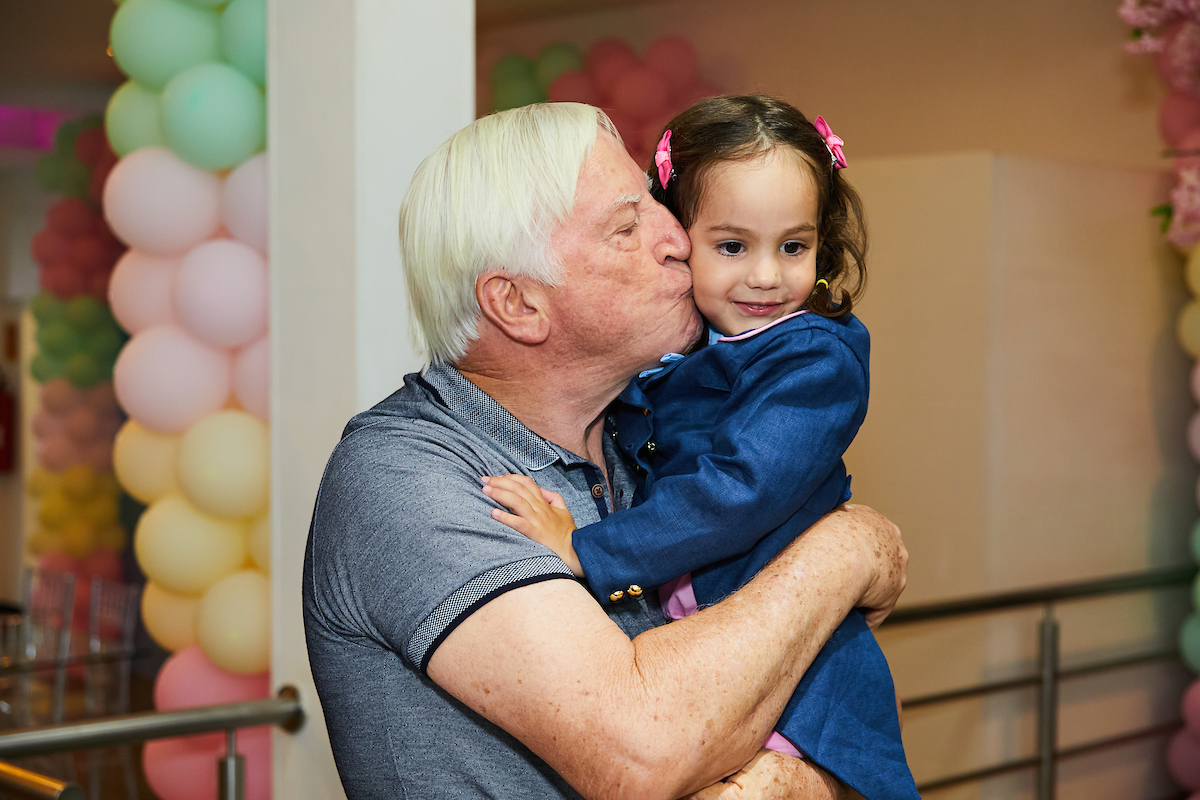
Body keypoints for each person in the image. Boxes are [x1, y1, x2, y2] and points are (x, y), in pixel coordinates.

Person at [303, 101, 908, 800]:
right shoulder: (408, 477)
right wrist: (850, 548)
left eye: (656, 205)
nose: (678, 237)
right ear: (519, 304)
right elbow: (642, 752)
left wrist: (811, 783)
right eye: (628, 225)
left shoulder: (642, 432)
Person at [480, 96, 919, 800]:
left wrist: (590, 552)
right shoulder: (683, 354)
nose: (768, 276)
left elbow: (737, 491)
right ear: (680, 237)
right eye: (733, 246)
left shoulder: (813, 361)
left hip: (797, 676)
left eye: (794, 247)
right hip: (709, 633)